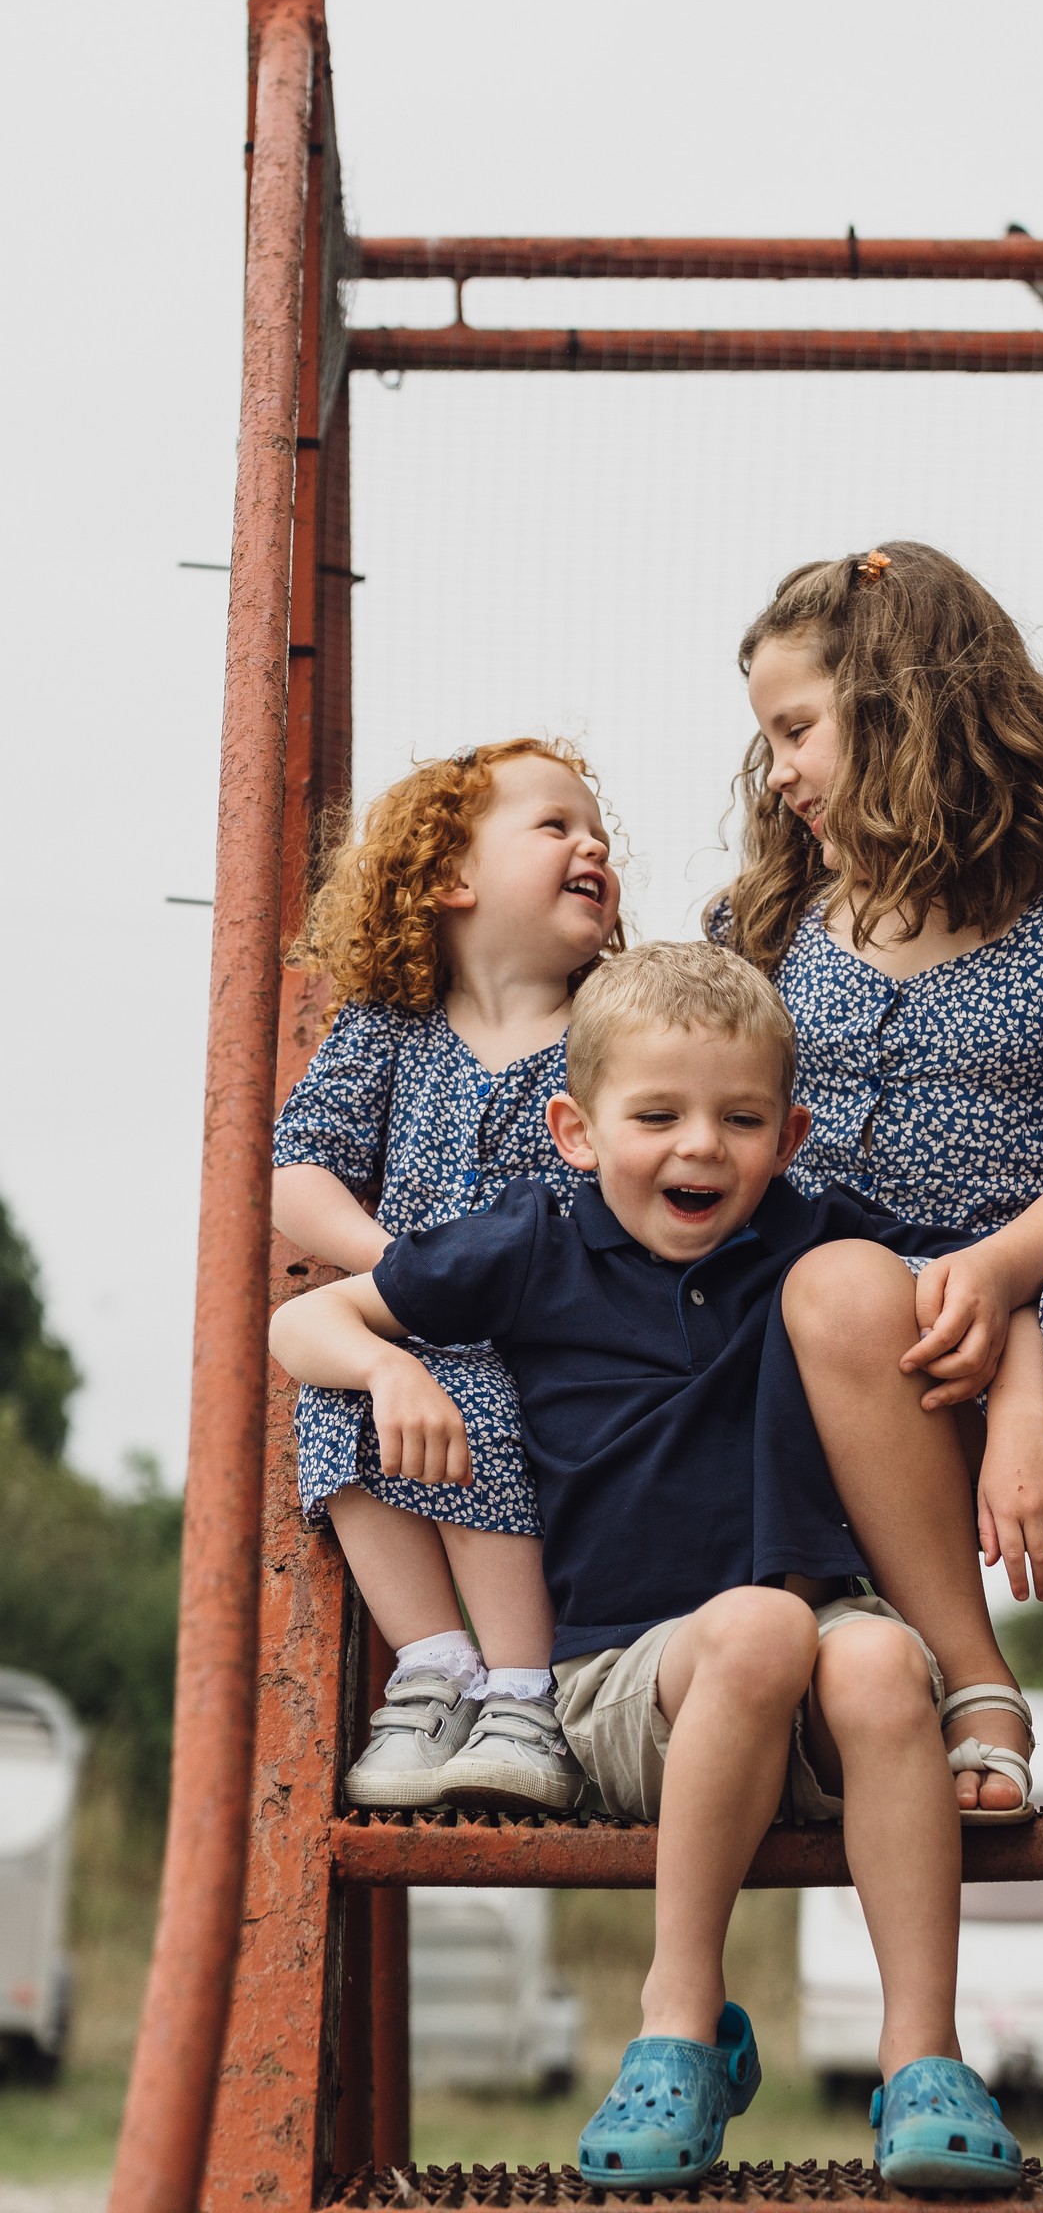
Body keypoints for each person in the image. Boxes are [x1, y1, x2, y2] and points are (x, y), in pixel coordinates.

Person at [268, 940, 1024, 2195]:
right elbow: (306, 1321)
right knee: (757, 1633)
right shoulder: (531, 1241)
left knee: (888, 1661)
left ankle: (922, 2059)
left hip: (813, 1671)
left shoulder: (814, 1230)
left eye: (739, 1120)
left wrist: (1026, 1418)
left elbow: (986, 1281)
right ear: (575, 1129)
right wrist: (393, 1366)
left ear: (788, 1138)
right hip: (626, 1688)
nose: (700, 1149)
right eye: (657, 1116)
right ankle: (677, 2022)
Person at [718, 541, 1043, 1820]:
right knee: (835, 1281)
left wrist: (1002, 1280)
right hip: (865, 1349)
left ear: (901, 710)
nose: (781, 769)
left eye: (799, 730)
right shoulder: (769, 933)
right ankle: (975, 1687)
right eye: (771, 740)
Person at [271, 736, 622, 1814]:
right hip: (418, 1308)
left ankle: (526, 1695)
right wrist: (406, 1272)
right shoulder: (390, 1030)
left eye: (599, 833)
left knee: (461, 1367)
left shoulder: (609, 1031)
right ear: (448, 878)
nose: (592, 844)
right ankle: (435, 1669)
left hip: (566, 1336)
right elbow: (301, 1176)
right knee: (338, 1376)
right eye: (554, 826)